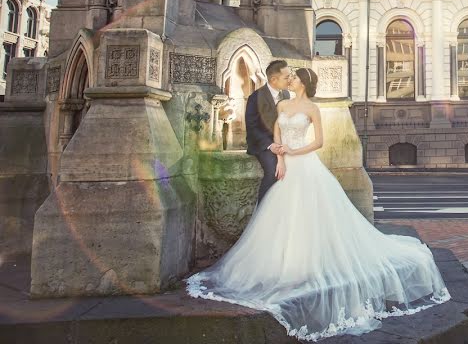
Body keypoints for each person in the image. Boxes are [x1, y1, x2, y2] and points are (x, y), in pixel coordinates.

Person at [186, 67, 450, 341]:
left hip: (306, 164)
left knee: (310, 214)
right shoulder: (284, 103)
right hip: (286, 163)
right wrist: (279, 157)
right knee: (281, 214)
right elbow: (277, 129)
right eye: (292, 77)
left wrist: (293, 151)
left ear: (304, 83)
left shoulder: (312, 108)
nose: (292, 79)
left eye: (296, 77)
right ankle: (284, 265)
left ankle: (306, 265)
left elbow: (319, 141)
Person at [245, 59, 293, 203]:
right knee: (273, 172)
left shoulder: (286, 95)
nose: (290, 79)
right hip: (262, 144)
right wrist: (271, 145)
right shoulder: (255, 98)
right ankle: (263, 211)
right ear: (274, 79)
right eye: (286, 77)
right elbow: (252, 128)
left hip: (283, 141)